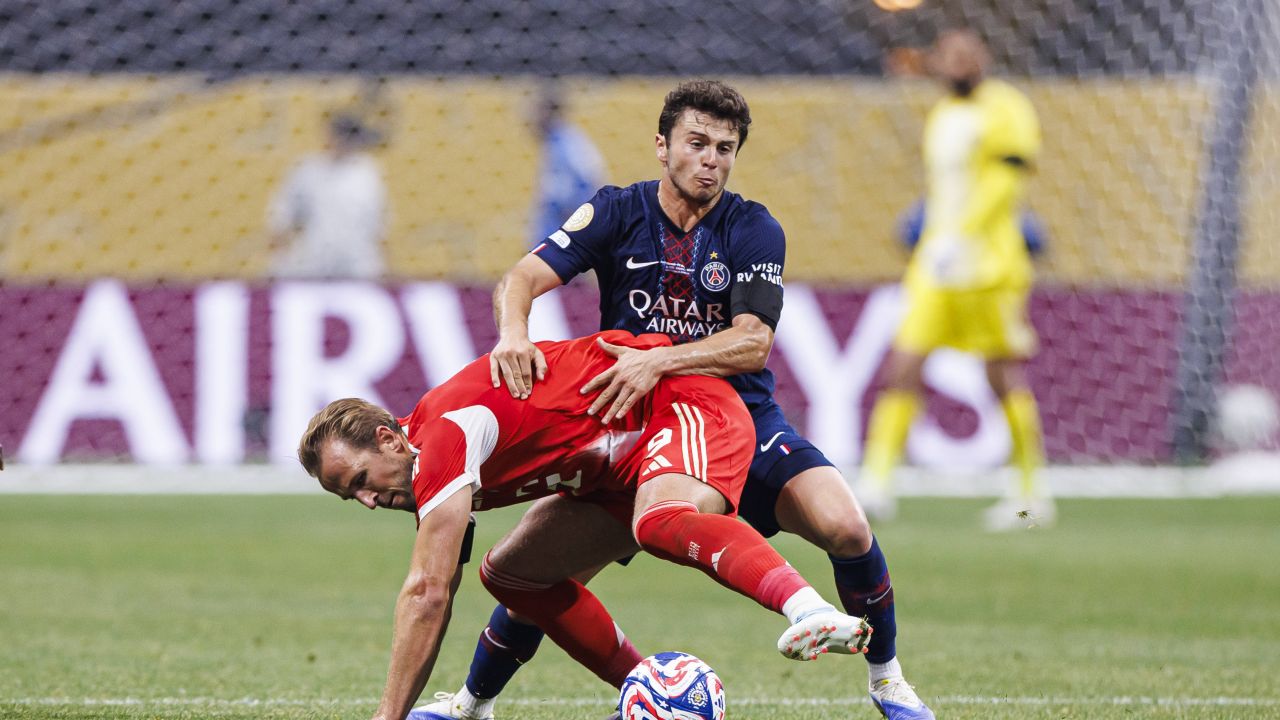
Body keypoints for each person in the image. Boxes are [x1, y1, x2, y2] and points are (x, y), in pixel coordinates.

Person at [421, 80, 934, 720]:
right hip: (634, 431)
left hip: (737, 417)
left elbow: (752, 344)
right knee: (535, 568)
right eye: (697, 143)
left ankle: (888, 682)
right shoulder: (616, 211)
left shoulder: (752, 228)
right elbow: (524, 276)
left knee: (847, 527)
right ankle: (471, 705)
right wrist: (513, 334)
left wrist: (659, 359)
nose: (711, 159)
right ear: (662, 147)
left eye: (725, 147)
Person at [299, 331, 874, 720]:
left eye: (358, 481)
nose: (368, 500)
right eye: (350, 498)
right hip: (613, 470)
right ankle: (650, 691)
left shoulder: (444, 438)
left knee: (661, 521)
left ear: (388, 439)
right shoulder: (428, 461)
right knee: (513, 575)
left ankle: (810, 610)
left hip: (681, 404)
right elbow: (440, 587)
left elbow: (425, 594)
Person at [857, 30, 1056, 532]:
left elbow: (1008, 182)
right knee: (902, 365)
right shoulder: (943, 114)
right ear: (941, 64)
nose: (960, 63)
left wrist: (963, 237)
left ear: (984, 60)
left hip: (991, 265)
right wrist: (939, 240)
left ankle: (1032, 497)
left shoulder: (1007, 107)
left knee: (1001, 374)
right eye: (951, 55)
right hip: (936, 265)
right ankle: (876, 487)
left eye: (970, 54)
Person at [267, 112, 388, 280]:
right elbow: (282, 214)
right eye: (343, 137)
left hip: (357, 259)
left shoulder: (366, 171)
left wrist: (381, 261)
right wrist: (279, 258)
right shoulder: (308, 169)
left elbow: (378, 222)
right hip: (315, 258)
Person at [530, 83, 607, 243]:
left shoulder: (568, 142)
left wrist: (576, 210)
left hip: (565, 218)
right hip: (556, 218)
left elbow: (589, 178)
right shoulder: (554, 141)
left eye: (538, 111)